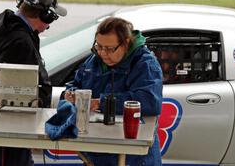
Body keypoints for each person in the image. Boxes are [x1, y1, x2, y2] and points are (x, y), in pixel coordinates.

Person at [0, 0, 67, 166]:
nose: (50, 24)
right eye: (52, 18)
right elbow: (6, 92)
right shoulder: (19, 41)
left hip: (3, 128)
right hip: (8, 130)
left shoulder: (7, 29)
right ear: (45, 15)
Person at [64, 17, 163, 166]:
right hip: (97, 152)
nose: (103, 53)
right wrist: (72, 93)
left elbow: (150, 101)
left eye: (110, 49)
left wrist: (101, 103)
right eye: (99, 46)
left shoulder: (145, 63)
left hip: (133, 156)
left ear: (126, 43)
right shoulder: (94, 60)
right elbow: (75, 83)